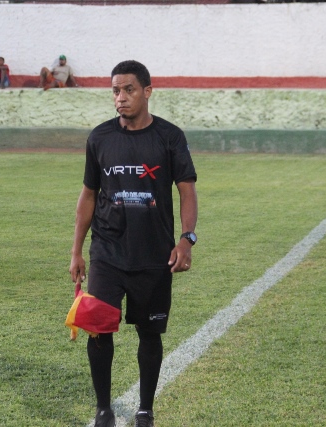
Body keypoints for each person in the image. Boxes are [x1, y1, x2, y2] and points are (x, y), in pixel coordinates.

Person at [69, 60, 198, 427]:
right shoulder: (100, 138)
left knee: (149, 333)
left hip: (154, 255)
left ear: (147, 92)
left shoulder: (169, 137)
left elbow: (187, 191)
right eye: (115, 91)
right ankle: (103, 410)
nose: (120, 97)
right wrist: (77, 251)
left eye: (128, 90)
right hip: (107, 253)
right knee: (99, 328)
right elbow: (88, 196)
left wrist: (187, 238)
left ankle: (145, 411)